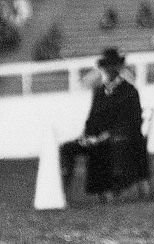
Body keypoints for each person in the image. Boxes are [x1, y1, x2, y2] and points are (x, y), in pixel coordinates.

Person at [59, 47, 148, 198]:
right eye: (107, 67)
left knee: (108, 145)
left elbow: (133, 121)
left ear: (119, 68)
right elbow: (92, 119)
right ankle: (63, 192)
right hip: (98, 138)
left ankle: (111, 188)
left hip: (121, 138)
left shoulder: (129, 91)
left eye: (113, 66)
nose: (109, 70)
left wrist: (108, 134)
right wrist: (87, 136)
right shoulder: (99, 92)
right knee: (67, 148)